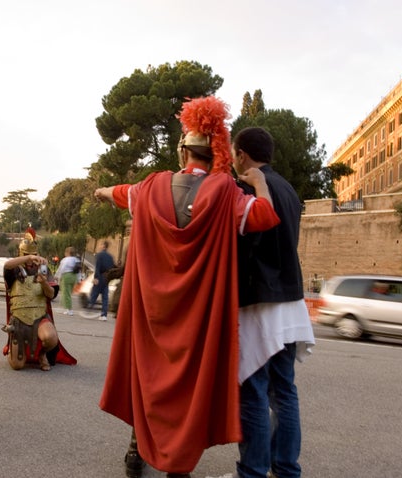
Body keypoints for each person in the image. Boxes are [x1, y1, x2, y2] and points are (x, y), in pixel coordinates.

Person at [94, 96, 281, 478]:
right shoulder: (227, 192)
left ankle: (137, 450)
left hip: (153, 312)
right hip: (198, 316)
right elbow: (265, 215)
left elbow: (118, 192)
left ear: (183, 150)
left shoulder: (149, 188)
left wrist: (101, 192)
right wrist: (260, 184)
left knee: (149, 378)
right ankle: (179, 467)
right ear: (215, 153)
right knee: (188, 389)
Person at [227, 127, 315, 478]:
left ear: (242, 155)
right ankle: (286, 469)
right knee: (284, 392)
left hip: (259, 301)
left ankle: (253, 470)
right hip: (291, 301)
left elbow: (243, 247)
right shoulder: (290, 190)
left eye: (234, 154)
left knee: (253, 391)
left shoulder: (248, 189)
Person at [1, 232, 76, 371]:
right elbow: (7, 265)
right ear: (21, 253)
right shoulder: (14, 270)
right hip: (19, 319)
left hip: (39, 316)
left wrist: (44, 283)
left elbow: (51, 294)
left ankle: (42, 354)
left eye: (33, 255)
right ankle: (14, 348)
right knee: (17, 365)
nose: (30, 261)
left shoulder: (43, 270)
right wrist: (27, 257)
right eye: (26, 255)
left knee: (50, 337)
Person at [86, 240, 115, 321]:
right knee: (105, 297)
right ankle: (104, 315)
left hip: (100, 276)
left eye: (100, 244)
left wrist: (96, 277)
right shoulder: (110, 256)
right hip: (107, 277)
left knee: (94, 294)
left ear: (103, 246)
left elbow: (97, 267)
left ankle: (89, 310)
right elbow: (112, 266)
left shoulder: (99, 255)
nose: (99, 246)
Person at [55, 246, 79, 315]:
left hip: (66, 276)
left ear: (67, 252)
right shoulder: (76, 259)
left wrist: (58, 276)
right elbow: (78, 270)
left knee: (66, 293)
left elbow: (61, 268)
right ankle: (66, 307)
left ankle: (69, 309)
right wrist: (78, 279)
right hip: (73, 276)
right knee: (69, 293)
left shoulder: (65, 260)